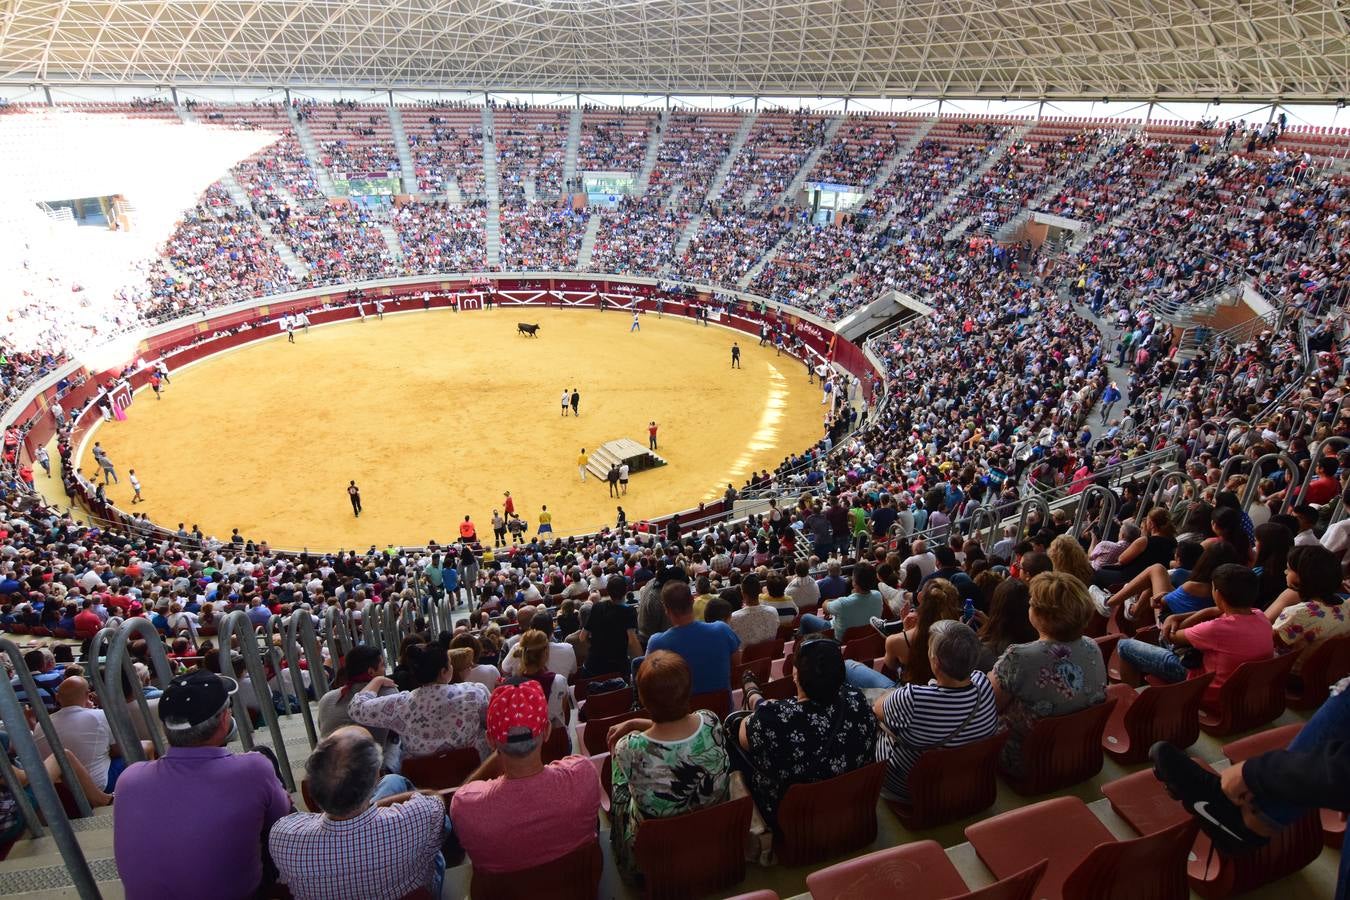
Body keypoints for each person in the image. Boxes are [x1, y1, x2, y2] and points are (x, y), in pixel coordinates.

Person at [114, 671, 292, 900]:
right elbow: (280, 821)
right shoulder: (255, 768)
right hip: (244, 893)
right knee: (267, 763)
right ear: (224, 719)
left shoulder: (129, 779)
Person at [270, 726, 446, 900]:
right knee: (434, 846)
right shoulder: (419, 817)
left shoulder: (283, 836)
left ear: (311, 787)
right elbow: (435, 799)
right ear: (376, 777)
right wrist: (380, 804)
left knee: (393, 782)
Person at [450, 682, 601, 875]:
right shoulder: (583, 775)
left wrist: (501, 748)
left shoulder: (465, 807)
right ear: (546, 731)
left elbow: (464, 792)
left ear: (490, 740)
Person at [605, 652, 731, 881]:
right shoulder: (711, 720)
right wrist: (635, 723)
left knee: (618, 773)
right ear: (688, 689)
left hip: (656, 856)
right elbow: (677, 727)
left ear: (643, 699)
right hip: (713, 836)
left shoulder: (629, 747)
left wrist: (634, 726)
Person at [730, 635, 877, 825]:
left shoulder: (771, 717)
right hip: (849, 807)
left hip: (794, 820)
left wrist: (762, 705)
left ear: (796, 674)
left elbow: (742, 735)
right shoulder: (856, 699)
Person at [990, 571, 1107, 776]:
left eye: (1032, 602)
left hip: (1026, 761)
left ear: (1042, 614)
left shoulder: (1018, 657)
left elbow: (988, 707)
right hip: (1076, 752)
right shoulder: (1092, 646)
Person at [874, 620, 1000, 802]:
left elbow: (877, 708)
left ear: (936, 663)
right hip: (963, 780)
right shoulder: (983, 684)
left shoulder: (912, 698)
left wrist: (896, 696)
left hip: (908, 788)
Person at [1116, 564, 1272, 706]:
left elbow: (1169, 636)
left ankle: (1132, 703)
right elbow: (1218, 614)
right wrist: (1206, 611)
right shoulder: (1260, 616)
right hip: (1241, 691)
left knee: (1124, 645)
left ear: (1217, 594)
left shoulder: (1215, 629)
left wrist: (1185, 616)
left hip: (1205, 688)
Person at [348, 642, 491, 760]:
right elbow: (490, 723)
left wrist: (376, 681)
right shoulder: (473, 693)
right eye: (450, 663)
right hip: (474, 772)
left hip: (425, 782)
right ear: (443, 672)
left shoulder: (401, 704)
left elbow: (356, 708)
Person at [33, 677, 129, 794]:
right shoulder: (100, 716)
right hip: (98, 787)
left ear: (58, 697)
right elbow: (120, 750)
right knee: (133, 754)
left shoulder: (40, 724)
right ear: (88, 694)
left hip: (59, 791)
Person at [1267, 544, 1349, 675]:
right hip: (1325, 674)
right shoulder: (1346, 606)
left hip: (1290, 676)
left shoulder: (1299, 614)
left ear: (1301, 576)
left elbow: (1266, 643)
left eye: (1288, 569)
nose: (1285, 572)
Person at [646, 581, 741, 695]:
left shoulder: (657, 643)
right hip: (724, 708)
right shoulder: (722, 630)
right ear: (692, 599)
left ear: (665, 608)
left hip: (682, 712)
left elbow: (648, 684)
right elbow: (737, 666)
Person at [316, 646, 399, 770]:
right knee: (398, 739)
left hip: (329, 770)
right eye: (382, 665)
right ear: (371, 672)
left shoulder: (326, 699)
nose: (384, 669)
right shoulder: (388, 692)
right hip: (370, 772)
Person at [500, 630, 570, 728]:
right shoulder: (559, 681)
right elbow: (564, 713)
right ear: (545, 652)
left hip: (527, 741)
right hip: (556, 739)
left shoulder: (508, 687)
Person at [799, 562, 883, 640]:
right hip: (866, 637)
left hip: (838, 639)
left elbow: (824, 606)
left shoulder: (842, 603)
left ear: (854, 582)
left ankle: (801, 644)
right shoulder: (878, 595)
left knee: (805, 618)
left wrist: (832, 600)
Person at [582, 575, 641, 678]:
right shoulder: (629, 611)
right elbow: (632, 641)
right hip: (618, 668)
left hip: (593, 666)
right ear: (626, 591)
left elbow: (582, 637)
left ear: (608, 591)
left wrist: (596, 648)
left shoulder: (597, 607)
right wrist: (643, 663)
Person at [730, 574, 780, 648]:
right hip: (770, 654)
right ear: (759, 591)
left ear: (743, 594)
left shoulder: (733, 618)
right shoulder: (773, 611)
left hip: (747, 658)